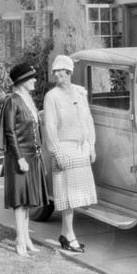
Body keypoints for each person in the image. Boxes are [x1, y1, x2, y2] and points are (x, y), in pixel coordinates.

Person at [43, 55, 97, 253]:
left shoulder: (80, 94)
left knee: (74, 197)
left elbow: (88, 120)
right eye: (54, 71)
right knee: (67, 196)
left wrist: (91, 146)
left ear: (69, 72)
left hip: (81, 150)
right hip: (64, 150)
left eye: (59, 70)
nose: (56, 74)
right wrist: (58, 153)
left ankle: (66, 234)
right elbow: (50, 128)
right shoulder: (52, 97)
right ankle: (69, 235)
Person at [0, 63, 50, 257]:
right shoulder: (13, 101)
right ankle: (20, 240)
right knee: (20, 202)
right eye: (32, 78)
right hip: (20, 157)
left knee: (27, 202)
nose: (35, 80)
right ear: (22, 81)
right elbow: (9, 131)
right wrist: (19, 158)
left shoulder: (27, 100)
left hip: (32, 156)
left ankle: (26, 238)